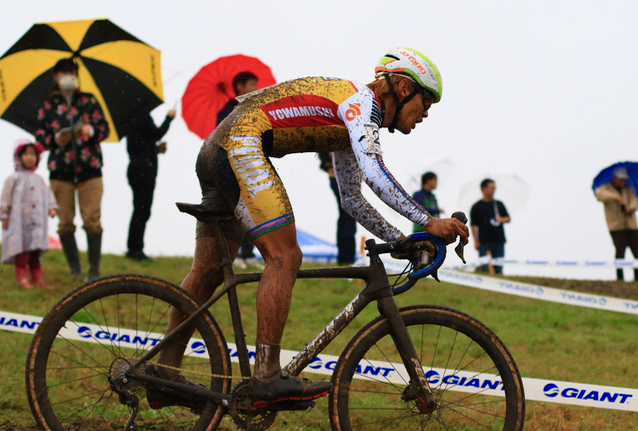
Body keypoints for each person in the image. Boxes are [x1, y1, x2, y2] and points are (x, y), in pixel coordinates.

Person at [151, 47, 468, 411]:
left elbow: (352, 198)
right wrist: (429, 221)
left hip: (217, 149)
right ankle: (267, 375)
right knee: (285, 255)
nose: (426, 113)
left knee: (206, 272)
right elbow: (377, 174)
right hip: (240, 145)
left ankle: (165, 373)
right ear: (399, 86)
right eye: (425, 102)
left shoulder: (351, 118)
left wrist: (401, 240)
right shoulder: (361, 105)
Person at [35, 58, 109, 281]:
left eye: (72, 72)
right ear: (55, 76)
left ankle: (93, 271)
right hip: (60, 171)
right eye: (64, 72)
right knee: (65, 222)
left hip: (91, 169)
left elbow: (104, 129)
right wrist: (56, 139)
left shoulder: (89, 100)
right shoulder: (48, 105)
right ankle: (75, 270)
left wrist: (91, 130)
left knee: (92, 220)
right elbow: (40, 137)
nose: (68, 76)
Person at [0, 141, 58, 289]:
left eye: (33, 154)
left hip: (37, 222)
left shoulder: (40, 180)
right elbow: (5, 198)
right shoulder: (14, 178)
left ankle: (37, 278)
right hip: (18, 222)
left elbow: (48, 195)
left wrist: (52, 208)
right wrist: (4, 216)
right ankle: (21, 278)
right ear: (18, 157)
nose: (30, 157)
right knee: (21, 249)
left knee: (35, 251)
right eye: (26, 154)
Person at [217, 72, 260, 266]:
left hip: (251, 167)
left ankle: (249, 253)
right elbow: (220, 140)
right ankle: (234, 254)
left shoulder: (254, 110)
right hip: (231, 168)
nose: (256, 88)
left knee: (253, 210)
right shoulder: (226, 112)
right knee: (235, 211)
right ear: (240, 87)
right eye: (252, 84)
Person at [125, 109, 176, 261]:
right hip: (143, 169)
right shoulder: (141, 116)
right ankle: (135, 249)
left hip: (138, 167)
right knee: (142, 210)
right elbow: (156, 133)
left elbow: (141, 143)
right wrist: (168, 118)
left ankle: (135, 247)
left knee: (140, 209)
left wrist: (155, 149)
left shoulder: (132, 119)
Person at [594, 167, 638, 282]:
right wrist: (616, 197)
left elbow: (636, 202)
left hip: (631, 225)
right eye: (621, 179)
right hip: (616, 227)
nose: (623, 182)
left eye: (624, 179)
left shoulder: (629, 190)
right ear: (614, 178)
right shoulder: (605, 188)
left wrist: (629, 208)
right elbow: (599, 195)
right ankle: (620, 278)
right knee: (620, 252)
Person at [319, 151, 357, 264]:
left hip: (340, 175)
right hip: (344, 176)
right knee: (348, 216)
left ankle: (346, 256)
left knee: (347, 215)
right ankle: (346, 257)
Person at [470, 179, 510, 274]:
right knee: (486, 268)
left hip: (499, 240)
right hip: (484, 241)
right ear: (484, 188)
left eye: (494, 188)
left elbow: (508, 218)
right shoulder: (477, 206)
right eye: (491, 188)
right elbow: (474, 225)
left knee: (498, 268)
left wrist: (501, 219)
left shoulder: (499, 204)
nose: (493, 190)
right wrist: (476, 240)